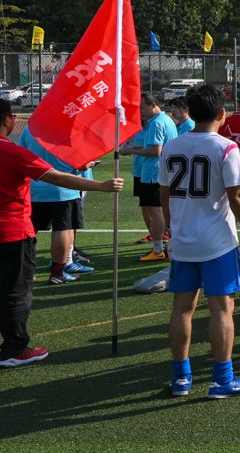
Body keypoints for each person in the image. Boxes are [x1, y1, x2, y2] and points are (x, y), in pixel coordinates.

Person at [0, 100, 123, 368]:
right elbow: (55, 176)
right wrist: (101, 186)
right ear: (9, 119)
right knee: (15, 291)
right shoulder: (11, 151)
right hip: (11, 233)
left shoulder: (23, 140)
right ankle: (15, 348)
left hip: (17, 226)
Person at [159, 83, 240, 398]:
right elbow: (238, 197)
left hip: (184, 240)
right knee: (221, 309)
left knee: (182, 309)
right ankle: (222, 379)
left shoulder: (172, 146)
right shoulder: (225, 147)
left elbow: (164, 193)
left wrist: (171, 229)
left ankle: (181, 378)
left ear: (189, 110)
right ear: (221, 113)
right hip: (217, 242)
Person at [17, 126, 93, 284]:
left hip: (35, 188)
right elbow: (82, 164)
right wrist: (90, 163)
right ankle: (57, 273)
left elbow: (21, 156)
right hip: (64, 189)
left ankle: (26, 272)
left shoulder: (29, 129)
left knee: (30, 232)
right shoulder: (71, 131)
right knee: (62, 229)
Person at [119, 93, 177, 262]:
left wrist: (130, 150)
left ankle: (158, 249)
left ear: (153, 104)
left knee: (156, 210)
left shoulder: (157, 123)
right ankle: (167, 244)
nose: (140, 113)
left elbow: (155, 151)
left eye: (142, 108)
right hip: (160, 172)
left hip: (154, 173)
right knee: (159, 209)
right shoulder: (164, 120)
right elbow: (154, 146)